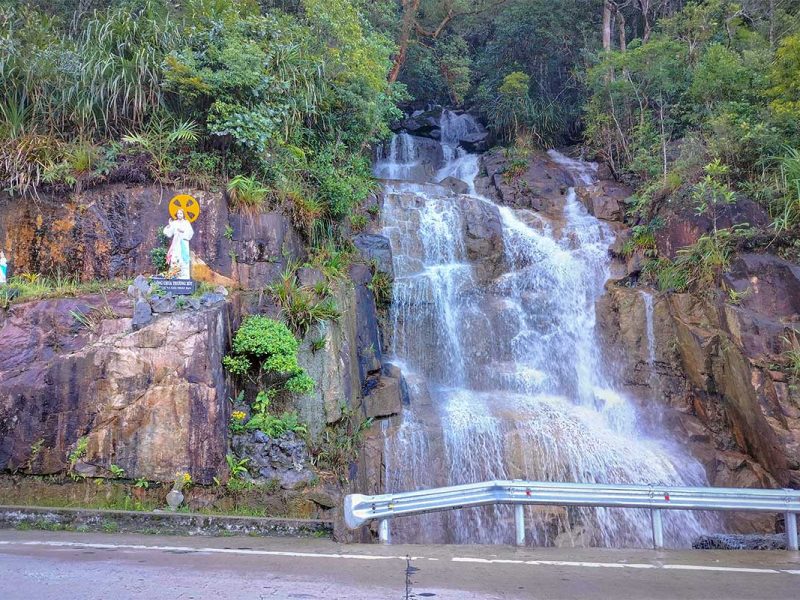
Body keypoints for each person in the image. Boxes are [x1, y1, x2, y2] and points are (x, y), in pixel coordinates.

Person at [163, 210, 194, 279]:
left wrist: (183, 231)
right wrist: (169, 225)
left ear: (183, 214)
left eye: (181, 213)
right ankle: (174, 275)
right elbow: (168, 233)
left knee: (183, 258)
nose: (179, 215)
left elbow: (190, 233)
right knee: (175, 257)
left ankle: (184, 276)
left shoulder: (186, 223)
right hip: (176, 243)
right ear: (176, 214)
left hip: (183, 242)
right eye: (178, 213)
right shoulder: (174, 223)